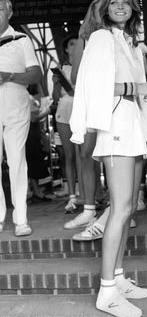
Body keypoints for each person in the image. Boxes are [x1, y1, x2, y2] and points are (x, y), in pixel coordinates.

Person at [69, 0, 147, 317]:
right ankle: (107, 292)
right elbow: (93, 86)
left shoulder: (130, 42)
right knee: (120, 209)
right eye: (115, 2)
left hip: (133, 129)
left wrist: (145, 92)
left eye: (127, 2)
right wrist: (136, 87)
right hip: (115, 131)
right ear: (106, 7)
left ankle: (119, 278)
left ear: (133, 9)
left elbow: (130, 87)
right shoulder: (101, 38)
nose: (121, 7)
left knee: (126, 209)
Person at [0, 0, 41, 236]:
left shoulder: (21, 39)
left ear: (9, 13)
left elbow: (35, 74)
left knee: (17, 161)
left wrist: (10, 77)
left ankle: (21, 219)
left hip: (16, 107)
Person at [64, 0, 106, 230]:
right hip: (92, 103)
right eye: (98, 9)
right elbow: (74, 76)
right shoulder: (85, 37)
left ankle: (119, 210)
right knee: (86, 154)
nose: (103, 12)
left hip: (117, 103)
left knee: (116, 156)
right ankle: (89, 210)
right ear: (92, 13)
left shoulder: (122, 36)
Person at [52, 34, 85, 213]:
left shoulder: (85, 66)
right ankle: (71, 195)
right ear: (66, 49)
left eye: (77, 43)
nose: (74, 46)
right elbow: (56, 98)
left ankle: (87, 195)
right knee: (69, 155)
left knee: (83, 155)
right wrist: (56, 84)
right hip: (64, 111)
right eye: (71, 44)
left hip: (81, 111)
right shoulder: (60, 69)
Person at [26, 84, 52, 201]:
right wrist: (47, 111)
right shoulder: (28, 98)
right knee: (33, 161)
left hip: (33, 132)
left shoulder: (28, 97)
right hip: (31, 132)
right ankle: (36, 190)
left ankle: (34, 189)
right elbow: (33, 118)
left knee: (33, 160)